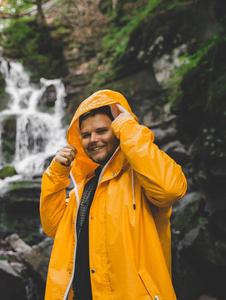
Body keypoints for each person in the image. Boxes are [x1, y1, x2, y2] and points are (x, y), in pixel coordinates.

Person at [40, 90, 187, 300]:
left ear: (117, 130)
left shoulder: (141, 176)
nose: (94, 139)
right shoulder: (82, 189)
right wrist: (56, 173)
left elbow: (171, 189)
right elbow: (52, 226)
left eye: (102, 131)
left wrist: (127, 126)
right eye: (86, 135)